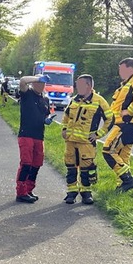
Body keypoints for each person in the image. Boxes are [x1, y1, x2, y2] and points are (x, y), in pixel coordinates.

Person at [60, 74, 115, 204]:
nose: (77, 87)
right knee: (71, 168)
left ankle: (86, 193)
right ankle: (71, 193)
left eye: (80, 85)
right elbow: (66, 116)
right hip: (71, 141)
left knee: (87, 169)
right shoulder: (74, 100)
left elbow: (110, 119)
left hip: (87, 143)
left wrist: (98, 134)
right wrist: (64, 129)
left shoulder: (99, 101)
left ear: (89, 86)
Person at [100, 58, 133, 191]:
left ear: (130, 68)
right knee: (122, 155)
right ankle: (122, 186)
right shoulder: (127, 83)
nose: (120, 72)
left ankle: (128, 179)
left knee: (108, 150)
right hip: (129, 124)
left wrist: (128, 113)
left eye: (122, 69)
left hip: (127, 123)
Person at [15, 75, 53, 203]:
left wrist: (47, 120)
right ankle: (21, 192)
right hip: (26, 134)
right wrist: (37, 78)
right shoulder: (27, 94)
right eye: (39, 83)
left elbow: (44, 115)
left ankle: (29, 189)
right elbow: (23, 81)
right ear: (34, 83)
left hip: (39, 135)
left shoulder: (45, 99)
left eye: (43, 84)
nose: (41, 86)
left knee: (37, 164)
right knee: (26, 163)